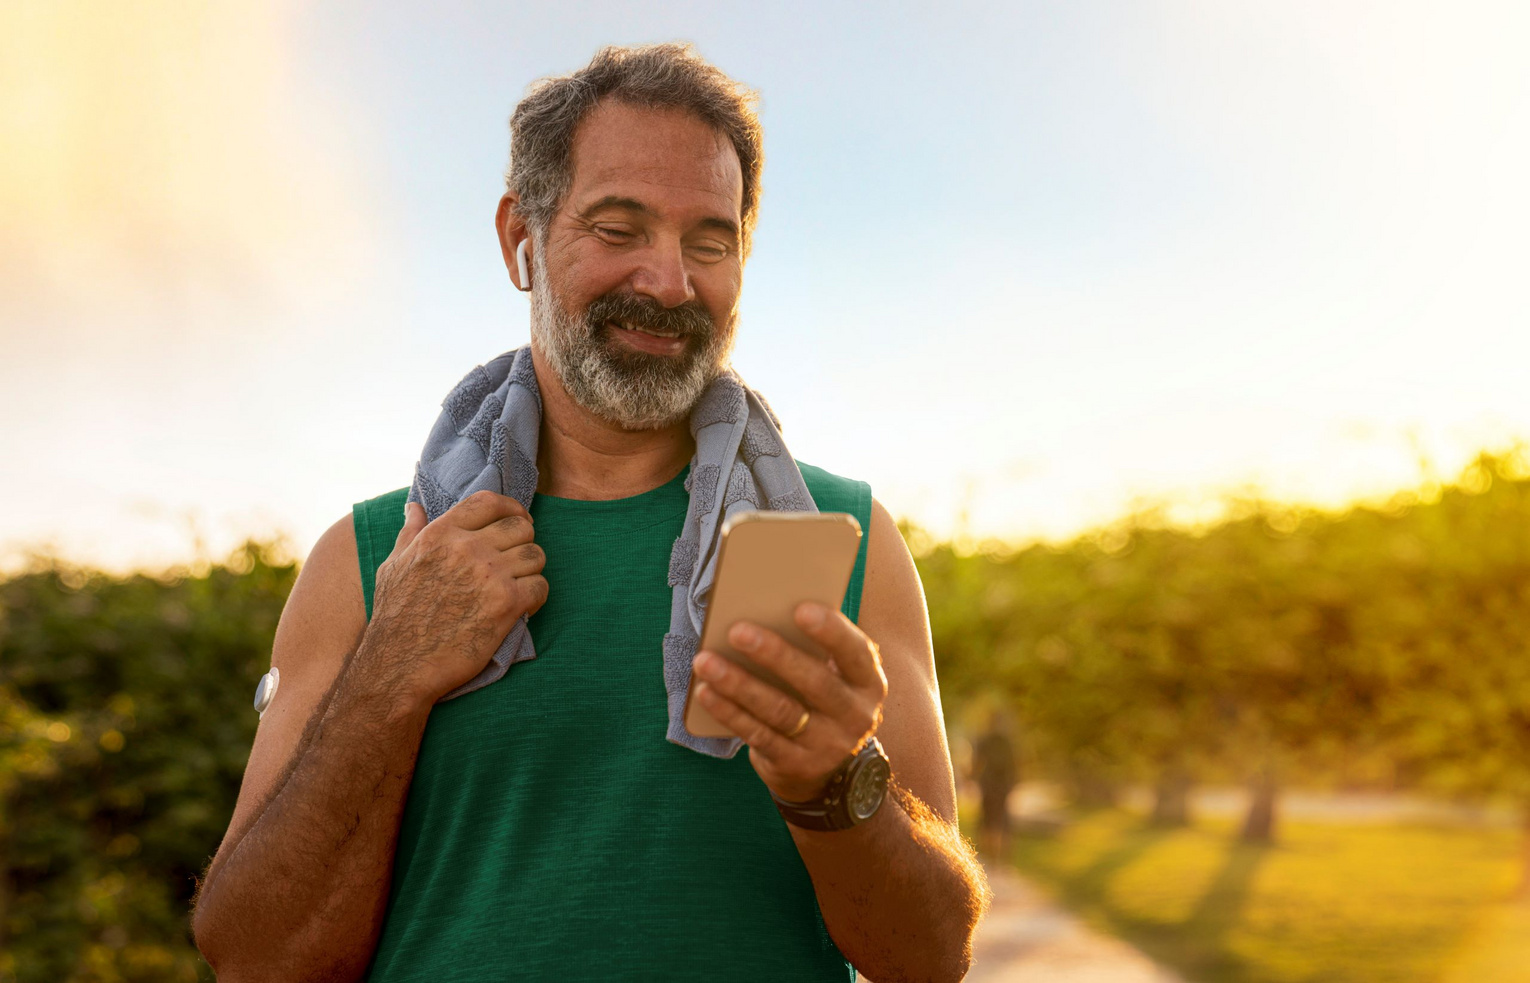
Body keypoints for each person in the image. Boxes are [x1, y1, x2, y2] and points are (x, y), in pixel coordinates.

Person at [190, 42, 989, 982]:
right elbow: (252, 955)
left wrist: (833, 779)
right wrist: (389, 670)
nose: (668, 282)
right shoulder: (370, 561)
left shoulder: (843, 544)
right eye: (618, 229)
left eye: (710, 239)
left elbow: (932, 956)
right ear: (519, 236)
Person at [969, 713, 1019, 858]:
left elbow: (977, 762)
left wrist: (973, 778)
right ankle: (997, 856)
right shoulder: (1006, 742)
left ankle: (990, 854)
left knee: (988, 818)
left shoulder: (987, 740)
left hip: (990, 783)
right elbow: (1014, 764)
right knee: (1000, 818)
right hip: (1000, 784)